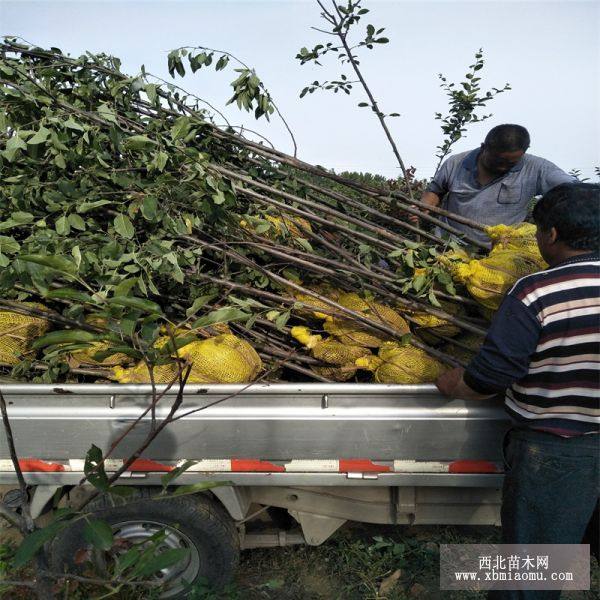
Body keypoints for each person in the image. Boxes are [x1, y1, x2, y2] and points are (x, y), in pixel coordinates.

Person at [436, 182, 599, 599]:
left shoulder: (537, 291)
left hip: (559, 449)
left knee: (534, 571)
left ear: (552, 235)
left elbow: (492, 375)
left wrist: (456, 383)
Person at [412, 124, 575, 247]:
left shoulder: (537, 168)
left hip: (502, 252)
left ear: (523, 153)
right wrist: (423, 207)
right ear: (484, 147)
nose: (503, 167)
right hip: (448, 245)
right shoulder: (456, 163)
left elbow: (573, 190)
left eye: (511, 163)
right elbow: (435, 191)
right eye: (498, 161)